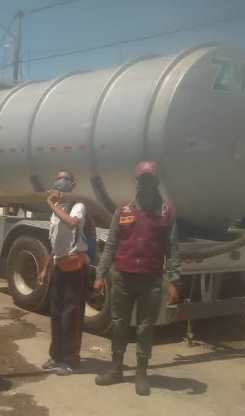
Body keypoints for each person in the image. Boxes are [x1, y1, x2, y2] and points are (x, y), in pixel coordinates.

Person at [93, 161, 180, 396]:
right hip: (122, 278)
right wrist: (100, 274)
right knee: (119, 324)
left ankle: (141, 372)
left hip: (151, 281)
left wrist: (174, 280)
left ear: (156, 183)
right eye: (142, 180)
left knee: (145, 328)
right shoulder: (123, 211)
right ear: (137, 183)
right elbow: (111, 245)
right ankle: (116, 368)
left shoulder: (166, 213)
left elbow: (172, 249)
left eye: (150, 180)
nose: (146, 185)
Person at [39, 169, 88, 376]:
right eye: (58, 178)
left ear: (73, 185)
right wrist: (45, 268)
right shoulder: (56, 209)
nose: (61, 181)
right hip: (59, 265)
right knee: (56, 313)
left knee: (71, 314)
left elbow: (72, 223)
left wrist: (51, 204)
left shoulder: (78, 205)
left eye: (66, 178)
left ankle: (70, 360)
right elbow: (55, 242)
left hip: (74, 265)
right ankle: (56, 356)